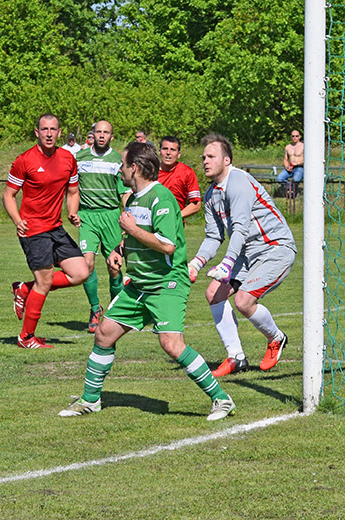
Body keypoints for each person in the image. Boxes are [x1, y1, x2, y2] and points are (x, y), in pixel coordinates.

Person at [58, 141, 235, 421]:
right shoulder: (135, 198)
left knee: (172, 345)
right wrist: (119, 249)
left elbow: (167, 245)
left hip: (165, 284)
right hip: (138, 284)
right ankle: (90, 400)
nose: (120, 170)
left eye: (123, 165)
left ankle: (222, 399)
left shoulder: (160, 198)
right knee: (104, 334)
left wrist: (131, 230)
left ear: (135, 168)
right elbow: (136, 235)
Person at [188, 133, 297, 377]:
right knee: (213, 294)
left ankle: (276, 338)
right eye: (203, 157)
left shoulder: (237, 181)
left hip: (275, 248)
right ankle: (236, 357)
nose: (205, 161)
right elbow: (213, 237)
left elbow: (240, 228)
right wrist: (196, 263)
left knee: (243, 301)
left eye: (211, 156)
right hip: (248, 254)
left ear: (226, 160)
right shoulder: (210, 195)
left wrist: (227, 263)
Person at [3, 113, 89, 349]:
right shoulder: (25, 160)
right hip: (33, 229)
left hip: (56, 227)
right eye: (44, 129)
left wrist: (72, 212)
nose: (49, 133)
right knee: (46, 280)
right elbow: (8, 195)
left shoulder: (67, 159)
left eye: (53, 129)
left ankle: (24, 288)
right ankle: (26, 337)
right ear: (37, 133)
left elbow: (72, 192)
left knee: (81, 272)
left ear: (59, 133)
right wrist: (17, 219)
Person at [74, 120, 130, 332]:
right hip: (87, 216)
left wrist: (128, 217)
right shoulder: (79, 158)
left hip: (110, 217)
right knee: (86, 265)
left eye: (106, 132)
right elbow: (71, 189)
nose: (101, 135)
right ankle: (95, 308)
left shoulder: (118, 161)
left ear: (111, 137)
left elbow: (124, 193)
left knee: (114, 266)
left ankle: (115, 312)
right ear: (92, 135)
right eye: (98, 132)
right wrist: (73, 211)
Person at [158, 136, 202, 222]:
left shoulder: (187, 172)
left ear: (179, 154)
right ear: (159, 151)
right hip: (151, 222)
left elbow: (196, 204)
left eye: (173, 150)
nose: (168, 152)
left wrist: (176, 216)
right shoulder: (149, 172)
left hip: (175, 224)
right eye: (165, 149)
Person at [276, 130, 304, 196]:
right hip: (290, 168)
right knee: (279, 178)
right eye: (293, 136)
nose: (295, 137)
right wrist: (287, 166)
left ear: (299, 137)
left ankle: (293, 192)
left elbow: (307, 160)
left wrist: (297, 163)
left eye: (296, 136)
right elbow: (285, 159)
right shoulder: (288, 147)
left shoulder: (303, 146)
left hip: (300, 167)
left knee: (296, 179)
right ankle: (291, 189)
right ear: (291, 137)